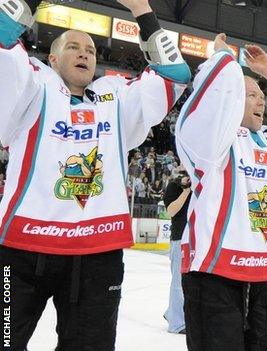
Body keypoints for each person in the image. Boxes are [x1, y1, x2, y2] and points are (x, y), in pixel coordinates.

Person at [0, 0, 190, 349]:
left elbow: (175, 74)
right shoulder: (31, 82)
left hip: (97, 255)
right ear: (52, 59)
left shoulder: (114, 95)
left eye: (89, 49)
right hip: (22, 249)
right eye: (72, 47)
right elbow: (2, 35)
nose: (84, 53)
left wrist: (141, 10)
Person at [175, 34, 267, 350]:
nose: (261, 101)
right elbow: (208, 104)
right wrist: (221, 61)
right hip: (215, 273)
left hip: (263, 274)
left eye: (261, 95)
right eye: (251, 95)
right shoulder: (213, 142)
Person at [162, 169, 192, 334]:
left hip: (196, 239)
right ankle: (177, 323)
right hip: (180, 238)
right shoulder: (174, 185)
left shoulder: (202, 182)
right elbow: (171, 211)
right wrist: (186, 191)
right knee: (178, 282)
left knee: (189, 282)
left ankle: (172, 313)